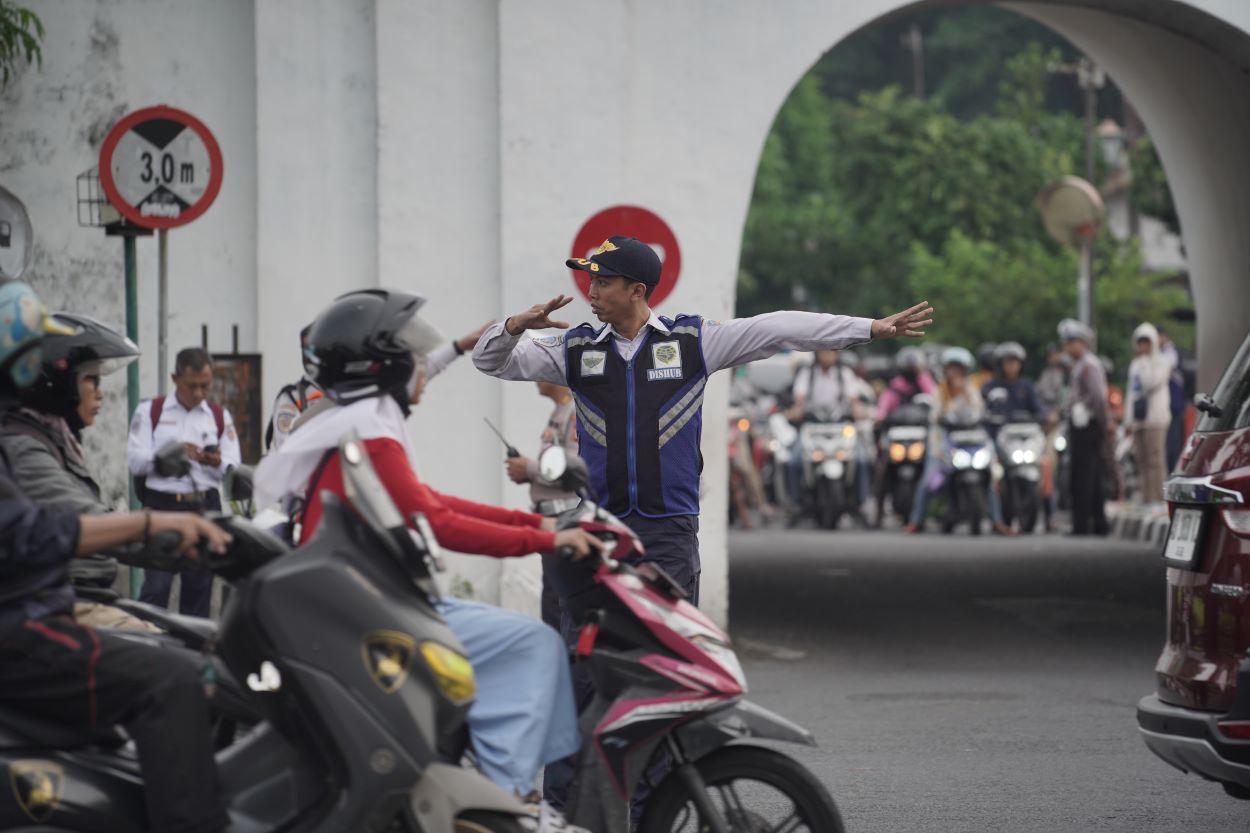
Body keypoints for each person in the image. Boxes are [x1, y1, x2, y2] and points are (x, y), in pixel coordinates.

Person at [254, 289, 604, 832]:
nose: (423, 368)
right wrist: (547, 540)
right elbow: (436, 521)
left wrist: (541, 526)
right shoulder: (368, 432)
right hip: (374, 609)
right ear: (385, 367)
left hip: (368, 599)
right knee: (534, 644)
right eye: (412, 357)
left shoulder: (363, 422)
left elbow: (432, 503)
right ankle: (502, 800)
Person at [473, 235, 933, 602]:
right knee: (593, 649)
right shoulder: (576, 348)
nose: (590, 292)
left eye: (603, 282)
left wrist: (868, 328)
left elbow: (778, 327)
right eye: (589, 280)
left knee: (671, 656)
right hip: (600, 522)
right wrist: (514, 326)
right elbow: (490, 362)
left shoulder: (692, 341)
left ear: (636, 291)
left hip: (669, 526)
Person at [0, 279, 234, 833]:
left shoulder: (29, 436)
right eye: (85, 378)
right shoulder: (15, 440)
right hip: (23, 626)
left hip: (37, 611)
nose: (98, 391)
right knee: (176, 676)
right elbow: (31, 531)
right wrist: (155, 524)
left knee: (204, 654)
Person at [0, 312, 156, 631]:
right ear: (56, 382)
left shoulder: (55, 439)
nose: (100, 393)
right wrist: (179, 532)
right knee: (192, 669)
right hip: (61, 602)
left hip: (87, 595)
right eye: (91, 380)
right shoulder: (24, 447)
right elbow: (86, 519)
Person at [127, 347, 242, 617]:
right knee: (156, 588)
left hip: (204, 505)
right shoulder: (150, 411)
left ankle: (193, 656)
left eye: (205, 386)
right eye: (192, 386)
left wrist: (216, 461)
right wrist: (170, 455)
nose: (200, 393)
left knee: (199, 591)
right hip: (162, 506)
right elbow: (135, 460)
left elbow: (233, 465)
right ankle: (149, 650)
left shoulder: (218, 416)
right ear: (175, 378)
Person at [266, 320, 495, 452]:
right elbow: (285, 454)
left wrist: (458, 347)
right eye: (310, 350)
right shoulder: (295, 398)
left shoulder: (357, 389)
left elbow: (409, 377)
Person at [903, 347, 1011, 535]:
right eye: (952, 368)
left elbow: (979, 411)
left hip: (972, 441)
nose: (955, 373)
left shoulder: (971, 389)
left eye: (959, 369)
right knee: (928, 482)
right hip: (942, 444)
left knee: (991, 477)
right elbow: (935, 415)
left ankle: (997, 521)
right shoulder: (940, 391)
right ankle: (916, 520)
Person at [503, 380, 581, 634]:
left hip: (565, 517)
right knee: (553, 602)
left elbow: (576, 470)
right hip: (552, 518)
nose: (534, 378)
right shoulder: (560, 409)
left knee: (559, 605)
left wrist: (529, 469)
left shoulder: (574, 410)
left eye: (540, 373)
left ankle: (566, 669)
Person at [785, 349, 871, 520]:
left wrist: (858, 411)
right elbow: (799, 399)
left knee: (862, 460)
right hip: (813, 427)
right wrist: (796, 411)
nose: (829, 356)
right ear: (817, 355)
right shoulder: (807, 374)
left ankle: (860, 502)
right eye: (825, 352)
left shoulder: (844, 374)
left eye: (832, 352)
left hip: (840, 427)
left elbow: (854, 400)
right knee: (794, 461)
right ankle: (796, 502)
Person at [1060, 319, 1110, 535]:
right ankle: (1098, 522)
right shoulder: (1080, 366)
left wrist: (1106, 422)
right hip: (1082, 425)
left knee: (1083, 476)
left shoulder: (1089, 365)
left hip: (1088, 425)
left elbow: (1099, 398)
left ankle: (1082, 524)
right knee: (1092, 475)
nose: (1068, 347)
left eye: (1072, 342)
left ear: (1082, 342)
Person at [1126, 322, 1174, 504]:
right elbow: (1132, 393)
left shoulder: (1163, 362)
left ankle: (1159, 498)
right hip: (1139, 420)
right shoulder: (1135, 364)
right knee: (1142, 461)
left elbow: (1149, 383)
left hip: (1156, 419)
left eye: (1146, 342)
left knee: (1155, 460)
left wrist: (1145, 362)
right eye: (1140, 343)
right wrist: (1128, 421)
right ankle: (1147, 498)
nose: (1142, 347)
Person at [981, 341, 1045, 429]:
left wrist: (1045, 415)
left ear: (1021, 364)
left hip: (1025, 431)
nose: (1011, 365)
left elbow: (1038, 408)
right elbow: (984, 410)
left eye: (1014, 361)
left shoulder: (1027, 386)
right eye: (1008, 362)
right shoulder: (990, 386)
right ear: (1000, 364)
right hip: (999, 432)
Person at [1157, 326, 1186, 471]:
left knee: (1172, 442)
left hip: (1173, 405)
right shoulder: (1161, 352)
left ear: (1164, 336)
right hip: (1164, 405)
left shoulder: (1171, 352)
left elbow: (1168, 365)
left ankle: (1171, 470)